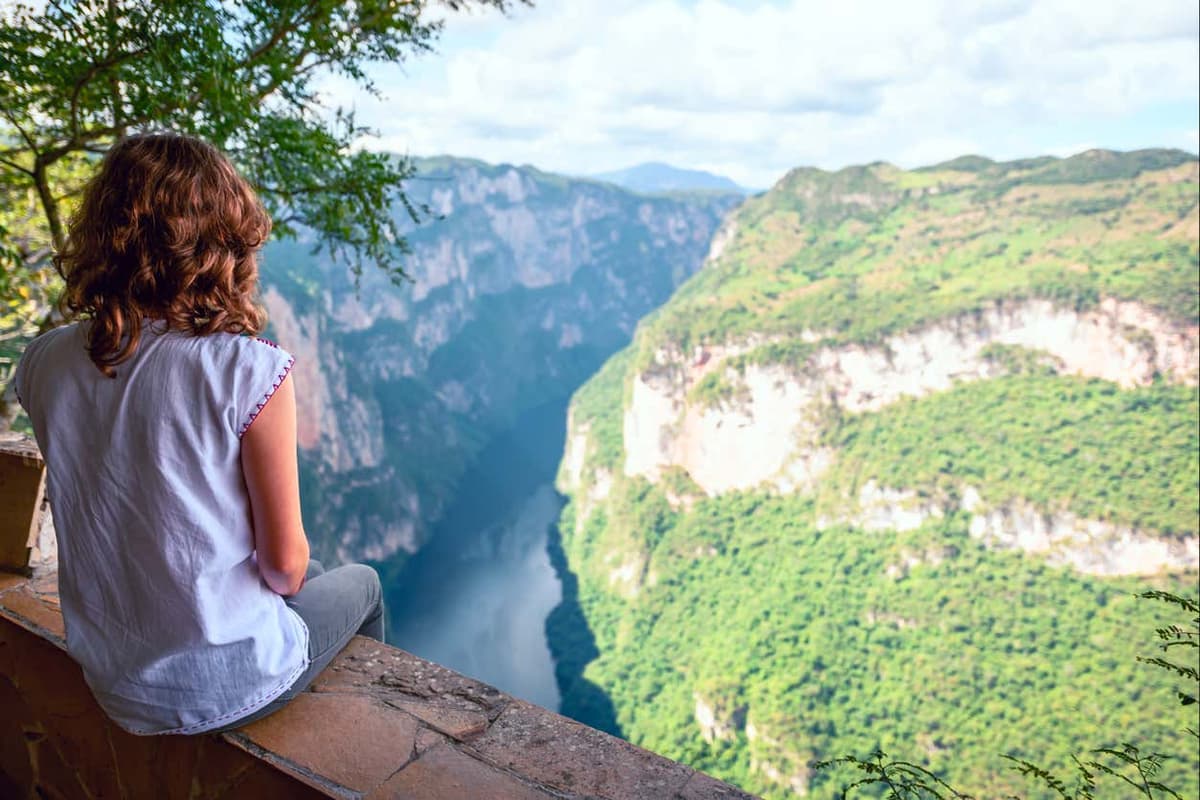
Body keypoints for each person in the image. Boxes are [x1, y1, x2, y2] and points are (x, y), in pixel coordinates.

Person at [13, 132, 385, 736]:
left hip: (112, 676)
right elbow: (283, 569)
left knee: (316, 578)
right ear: (223, 244)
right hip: (225, 684)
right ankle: (355, 745)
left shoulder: (44, 360)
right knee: (360, 583)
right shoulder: (249, 370)